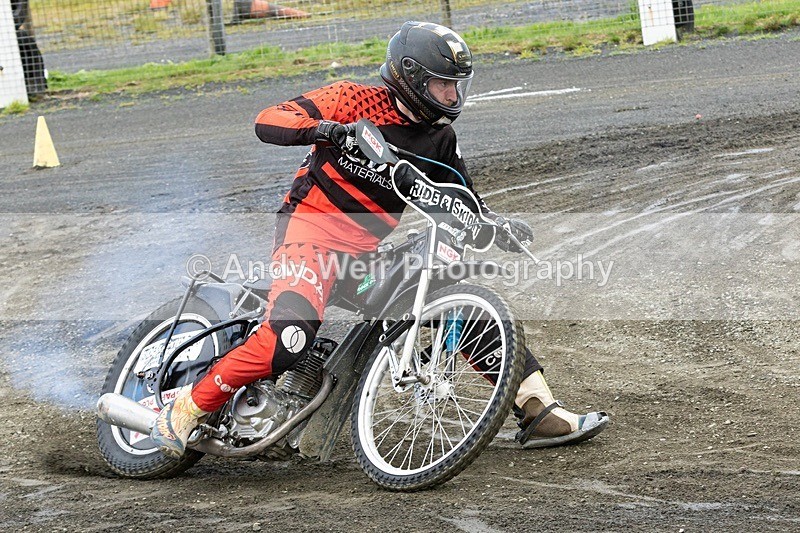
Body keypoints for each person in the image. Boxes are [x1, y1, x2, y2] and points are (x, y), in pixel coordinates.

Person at [151, 21, 609, 458]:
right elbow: (269, 120)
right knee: (289, 336)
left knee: (456, 302)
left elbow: (465, 198)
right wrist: (327, 130)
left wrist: (498, 225)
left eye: (456, 85)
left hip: (362, 259)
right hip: (307, 235)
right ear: (411, 77)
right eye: (442, 84)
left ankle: (537, 408)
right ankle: (184, 410)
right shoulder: (353, 99)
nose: (452, 95)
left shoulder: (440, 139)